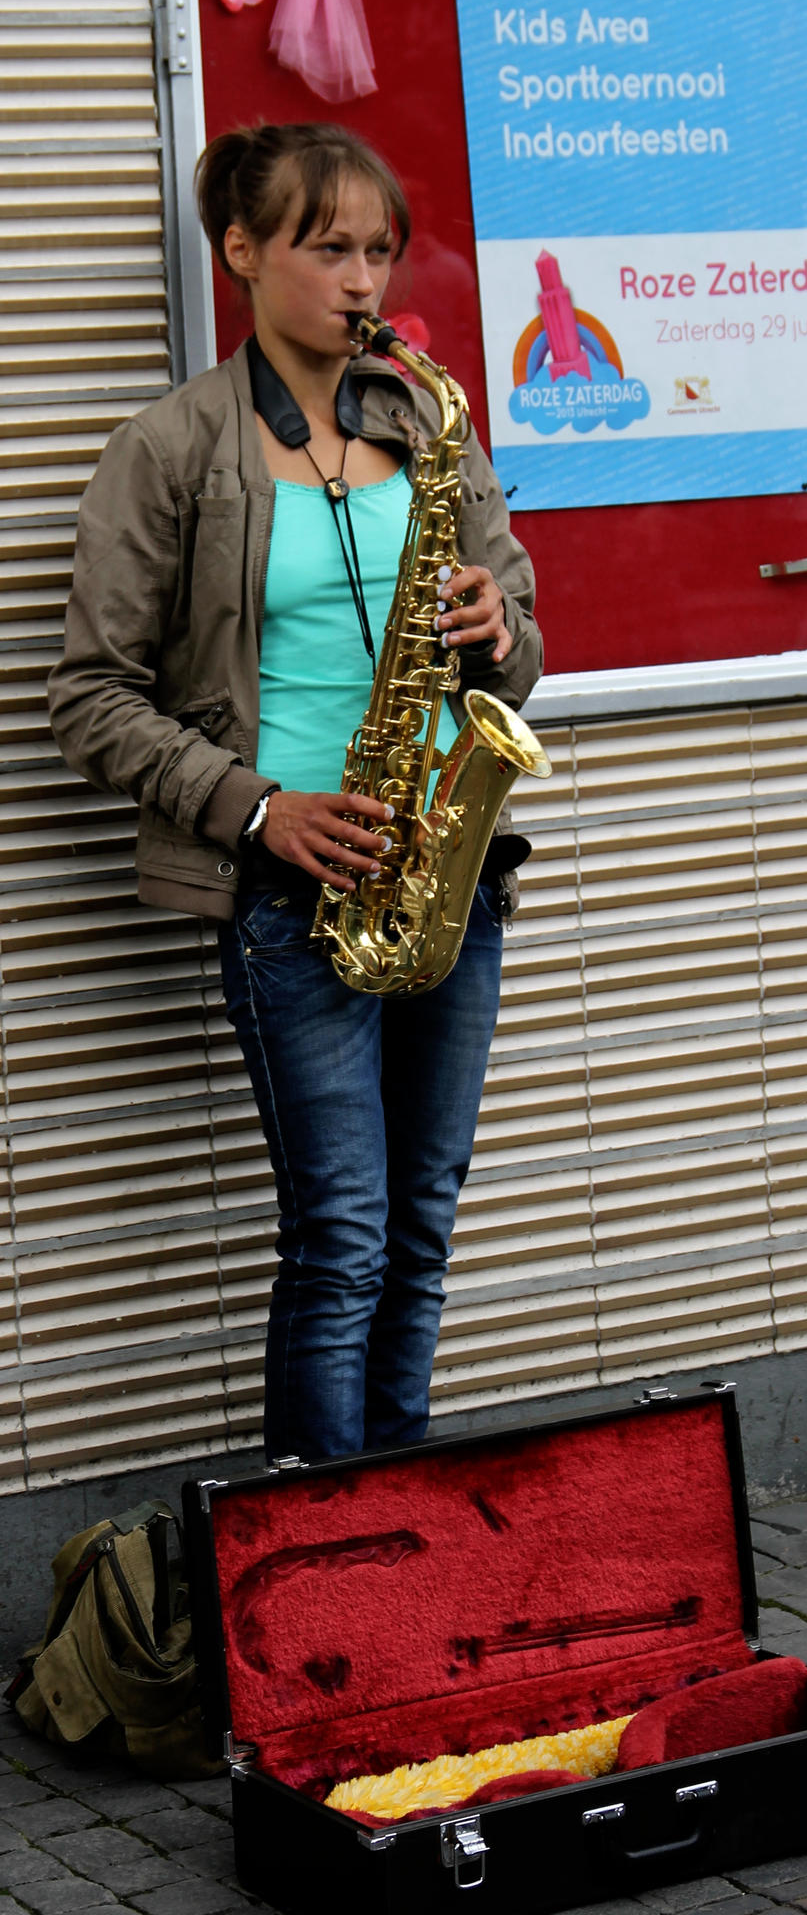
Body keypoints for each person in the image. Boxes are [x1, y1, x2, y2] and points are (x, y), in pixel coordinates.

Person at [48, 122, 543, 1465]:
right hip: (291, 897)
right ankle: (325, 1556)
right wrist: (264, 810)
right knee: (344, 1242)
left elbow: (528, 654)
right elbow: (88, 697)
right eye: (330, 247)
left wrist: (501, 626)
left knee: (422, 1232)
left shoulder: (428, 423)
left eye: (380, 248)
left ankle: (409, 1551)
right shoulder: (171, 450)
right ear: (243, 253)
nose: (363, 279)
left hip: (449, 878)